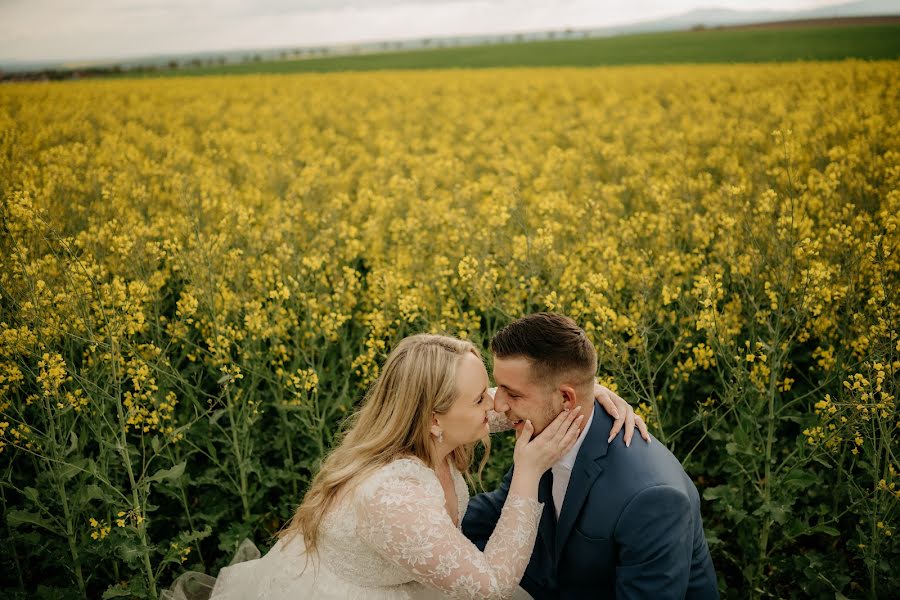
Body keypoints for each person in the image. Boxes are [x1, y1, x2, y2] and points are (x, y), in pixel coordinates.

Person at [166, 333, 645, 600]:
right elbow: (492, 586)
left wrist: (584, 393)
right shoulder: (393, 494)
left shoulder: (434, 426)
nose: (495, 405)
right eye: (481, 398)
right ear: (435, 418)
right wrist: (527, 473)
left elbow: (524, 403)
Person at [462, 313, 719, 599]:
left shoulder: (653, 498)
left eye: (513, 394)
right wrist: (423, 524)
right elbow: (501, 509)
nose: (497, 404)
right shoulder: (546, 435)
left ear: (566, 399)